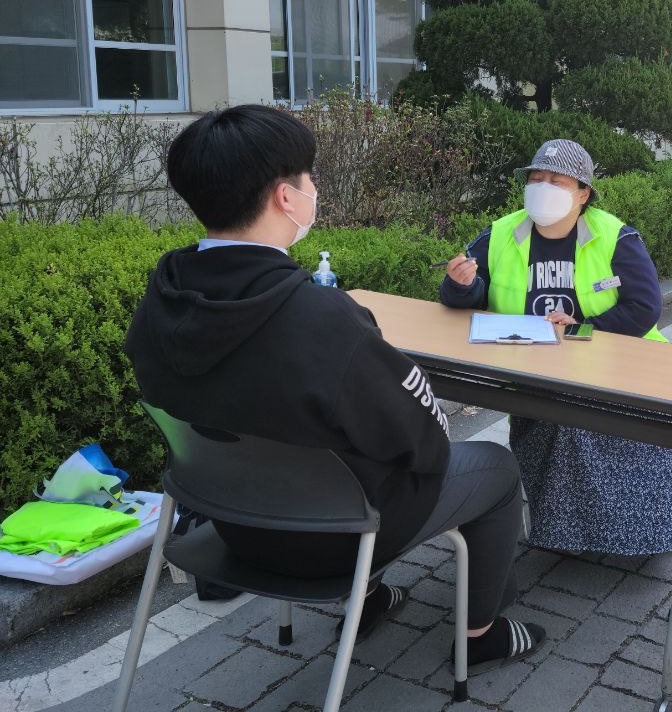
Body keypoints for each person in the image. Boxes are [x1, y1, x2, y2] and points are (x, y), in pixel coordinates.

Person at [125, 105, 544, 669]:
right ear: (285, 196)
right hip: (332, 540)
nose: (314, 189)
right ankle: (480, 636)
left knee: (335, 444)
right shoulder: (322, 319)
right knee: (495, 465)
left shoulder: (163, 299)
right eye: (309, 177)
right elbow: (425, 442)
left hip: (232, 525)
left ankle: (369, 599)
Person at [440, 139, 672, 555]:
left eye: (556, 180)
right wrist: (459, 284)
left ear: (583, 193)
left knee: (596, 420)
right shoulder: (501, 233)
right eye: (536, 178)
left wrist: (582, 330)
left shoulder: (615, 236)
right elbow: (467, 296)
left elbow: (645, 307)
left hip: (617, 366)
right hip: (534, 367)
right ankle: (562, 533)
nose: (543, 187)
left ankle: (642, 535)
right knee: (551, 416)